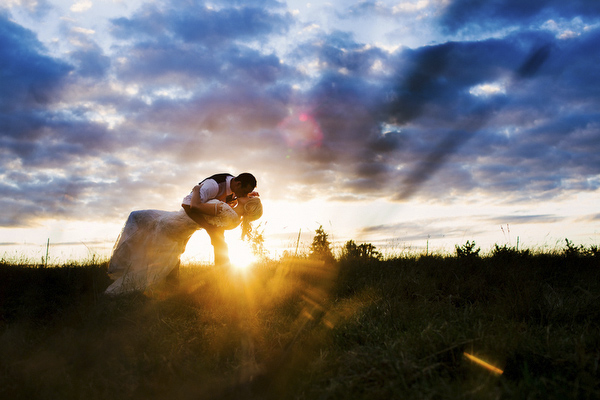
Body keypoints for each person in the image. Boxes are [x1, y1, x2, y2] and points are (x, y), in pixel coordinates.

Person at [105, 183, 262, 295]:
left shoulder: (224, 209)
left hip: (172, 222)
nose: (247, 196)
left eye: (249, 197)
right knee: (143, 234)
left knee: (136, 218)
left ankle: (120, 267)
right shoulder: (234, 220)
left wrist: (197, 189)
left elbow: (195, 206)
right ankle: (125, 269)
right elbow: (216, 216)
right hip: (180, 229)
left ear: (248, 204)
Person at [181, 173, 258, 266]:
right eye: (245, 192)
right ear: (238, 184)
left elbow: (228, 204)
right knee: (179, 247)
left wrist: (209, 227)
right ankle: (221, 273)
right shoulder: (213, 186)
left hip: (207, 221)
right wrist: (208, 226)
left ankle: (220, 274)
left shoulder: (235, 189)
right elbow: (187, 205)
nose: (245, 195)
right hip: (188, 217)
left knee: (221, 245)